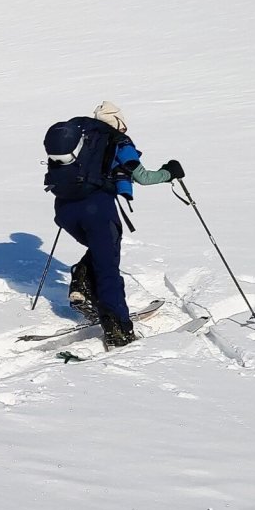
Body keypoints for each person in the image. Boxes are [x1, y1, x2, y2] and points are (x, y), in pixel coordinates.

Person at [49, 101, 183, 347]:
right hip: (97, 210)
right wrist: (170, 173)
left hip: (65, 208)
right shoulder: (118, 141)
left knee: (102, 253)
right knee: (107, 267)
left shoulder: (80, 139)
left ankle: (82, 280)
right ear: (119, 122)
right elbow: (143, 177)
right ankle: (118, 328)